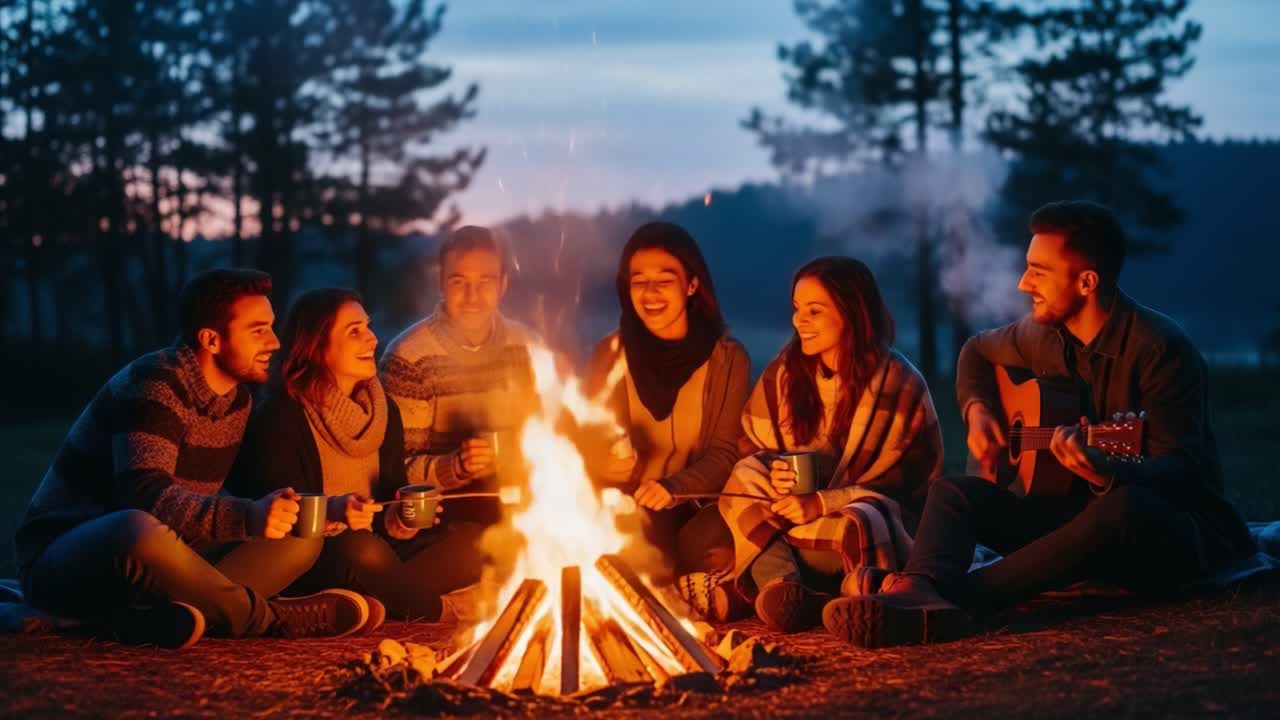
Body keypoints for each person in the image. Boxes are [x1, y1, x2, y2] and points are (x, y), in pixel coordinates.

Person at [823, 201, 1256, 648]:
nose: (1023, 283)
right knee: (953, 492)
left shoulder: (1160, 350)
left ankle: (954, 600)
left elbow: (1180, 468)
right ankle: (919, 586)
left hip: (1171, 535)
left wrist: (1108, 471)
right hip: (1073, 521)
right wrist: (979, 412)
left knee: (1122, 507)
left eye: (1038, 271)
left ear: (1087, 282)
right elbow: (975, 351)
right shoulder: (1043, 335)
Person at [13, 270, 372, 649]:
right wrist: (247, 516)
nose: (274, 341)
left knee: (300, 540)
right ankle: (271, 618)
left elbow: (253, 499)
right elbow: (144, 495)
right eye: (258, 330)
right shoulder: (155, 383)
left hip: (166, 558)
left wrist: (328, 511)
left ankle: (148, 619)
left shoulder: (238, 401)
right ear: (211, 339)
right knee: (133, 528)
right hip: (68, 559)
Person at [691, 256, 943, 633]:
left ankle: (851, 591)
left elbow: (903, 489)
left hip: (851, 530)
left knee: (864, 520)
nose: (798, 322)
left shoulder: (899, 384)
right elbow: (754, 448)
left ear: (852, 313)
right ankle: (784, 590)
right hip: (785, 523)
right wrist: (776, 471)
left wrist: (823, 502)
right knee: (746, 476)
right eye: (796, 309)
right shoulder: (785, 372)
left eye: (814, 311)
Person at [228, 289, 489, 622]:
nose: (372, 339)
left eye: (367, 327)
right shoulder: (279, 418)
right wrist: (340, 514)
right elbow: (289, 520)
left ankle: (385, 596)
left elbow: (386, 502)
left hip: (379, 551)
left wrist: (400, 520)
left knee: (472, 544)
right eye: (354, 332)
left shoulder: (384, 412)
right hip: (320, 557)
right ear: (316, 346)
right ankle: (437, 609)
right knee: (361, 550)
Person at [585, 221, 751, 579]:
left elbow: (725, 452)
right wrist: (604, 463)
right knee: (626, 542)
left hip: (701, 501)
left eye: (664, 280)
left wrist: (673, 488)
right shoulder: (610, 354)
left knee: (705, 545)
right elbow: (586, 441)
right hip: (630, 503)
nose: (650, 293)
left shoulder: (726, 358)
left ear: (692, 284)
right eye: (639, 281)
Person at [379, 226, 539, 528]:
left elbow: (550, 439)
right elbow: (393, 473)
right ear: (440, 283)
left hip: (523, 512)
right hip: (443, 520)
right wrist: (456, 465)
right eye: (458, 282)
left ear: (503, 284)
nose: (472, 297)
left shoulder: (527, 347)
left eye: (485, 282)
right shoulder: (409, 358)